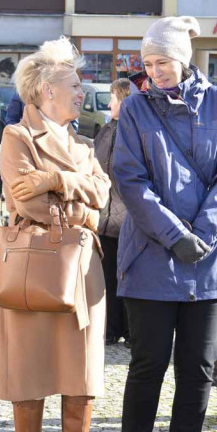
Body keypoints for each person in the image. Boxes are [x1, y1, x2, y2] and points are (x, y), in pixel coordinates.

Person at [112, 16, 217, 432]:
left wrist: (204, 231)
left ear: (183, 59)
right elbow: (130, 180)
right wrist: (174, 235)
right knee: (148, 364)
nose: (155, 71)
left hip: (209, 259)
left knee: (198, 368)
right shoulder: (134, 109)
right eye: (147, 64)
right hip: (152, 255)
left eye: (162, 61)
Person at [0, 37, 109, 432]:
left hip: (80, 271)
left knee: (79, 374)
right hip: (34, 269)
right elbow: (24, 199)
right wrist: (67, 192)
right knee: (30, 372)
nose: (82, 93)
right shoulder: (17, 137)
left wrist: (56, 181)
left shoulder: (83, 142)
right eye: (74, 85)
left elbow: (102, 199)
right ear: (44, 92)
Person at [93, 78, 131, 346]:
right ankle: (110, 328)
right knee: (107, 275)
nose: (109, 104)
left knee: (125, 276)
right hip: (105, 217)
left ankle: (127, 330)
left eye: (113, 99)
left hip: (124, 217)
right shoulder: (107, 129)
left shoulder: (131, 130)